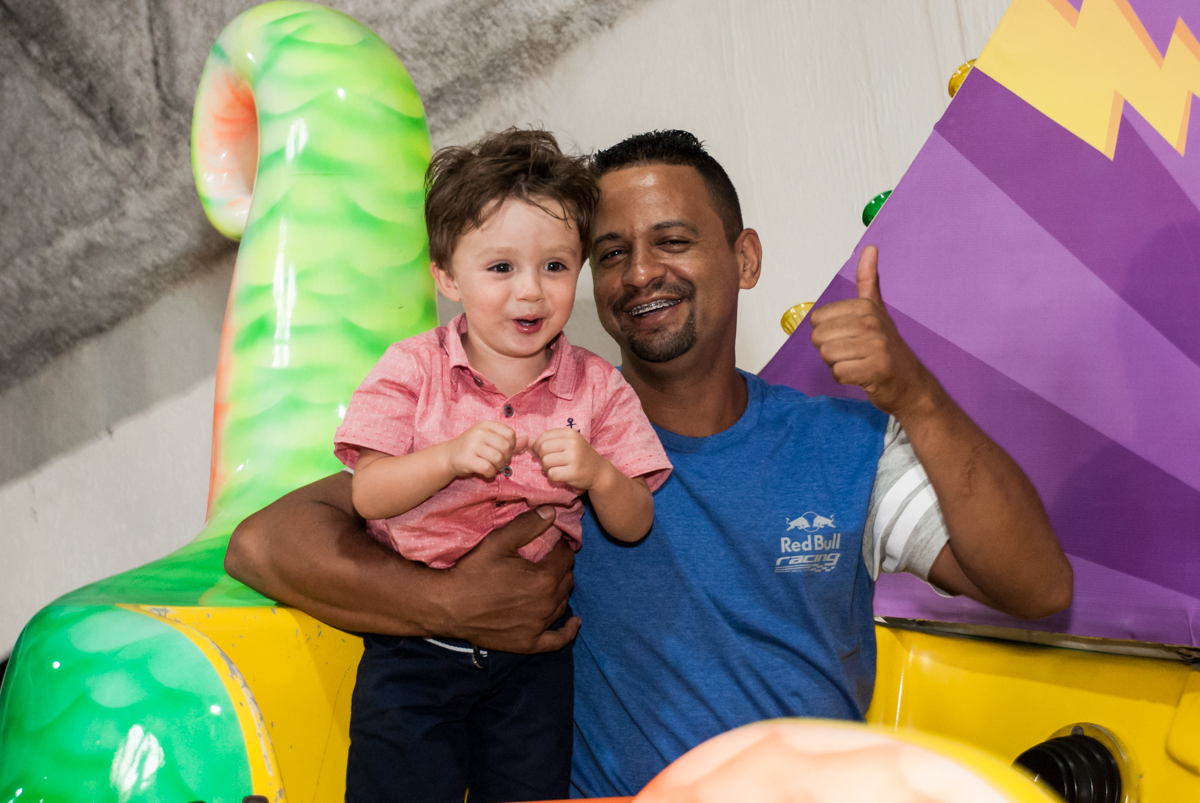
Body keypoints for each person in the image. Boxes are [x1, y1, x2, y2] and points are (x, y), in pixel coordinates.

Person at [226, 130, 1072, 797]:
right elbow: (264, 543)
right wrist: (448, 603)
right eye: (609, 253)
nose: (641, 274)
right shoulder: (532, 432)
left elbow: (1037, 587)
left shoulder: (840, 446)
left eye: (672, 240)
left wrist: (917, 396)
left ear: (744, 258)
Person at [333, 129, 671, 802]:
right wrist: (449, 457)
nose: (530, 291)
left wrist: (600, 475)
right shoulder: (411, 368)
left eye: (554, 266)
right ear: (447, 275)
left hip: (531, 658)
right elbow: (368, 494)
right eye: (500, 268)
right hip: (412, 652)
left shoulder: (598, 387)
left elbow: (635, 521)